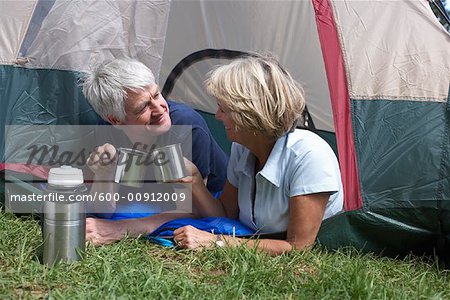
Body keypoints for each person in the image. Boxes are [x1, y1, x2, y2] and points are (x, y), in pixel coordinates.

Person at [172, 54, 343, 255]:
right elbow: (227, 213)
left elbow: (298, 248)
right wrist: (194, 180)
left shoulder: (309, 155)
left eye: (223, 109)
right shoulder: (242, 147)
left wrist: (216, 242)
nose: (217, 116)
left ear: (249, 113)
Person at [81, 58, 228, 245]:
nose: (159, 109)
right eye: (143, 107)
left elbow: (193, 209)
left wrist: (123, 229)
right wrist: (105, 175)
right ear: (116, 120)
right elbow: (102, 210)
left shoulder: (185, 126)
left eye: (157, 94)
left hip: (208, 195)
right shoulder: (107, 131)